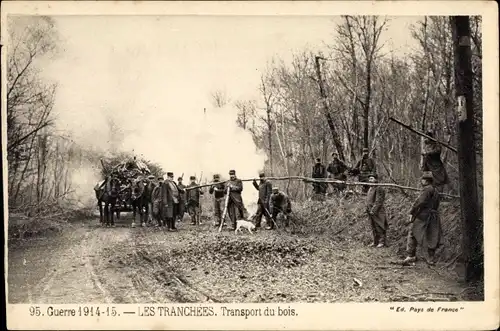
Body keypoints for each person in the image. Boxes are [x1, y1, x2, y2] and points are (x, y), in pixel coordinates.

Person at [403, 171, 443, 266]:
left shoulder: (426, 190)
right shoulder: (435, 190)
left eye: (423, 179)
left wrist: (412, 211)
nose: (422, 181)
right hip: (434, 216)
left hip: (423, 216)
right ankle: (431, 259)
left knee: (413, 232)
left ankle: (411, 255)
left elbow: (420, 202)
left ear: (425, 181)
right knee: (432, 236)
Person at [365, 174, 388, 247]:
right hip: (370, 210)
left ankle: (382, 242)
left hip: (378, 211)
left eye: (371, 179)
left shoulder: (379, 188)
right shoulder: (370, 188)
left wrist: (373, 210)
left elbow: (379, 201)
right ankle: (375, 241)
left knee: (379, 226)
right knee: (373, 226)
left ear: (376, 180)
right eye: (369, 179)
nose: (370, 180)